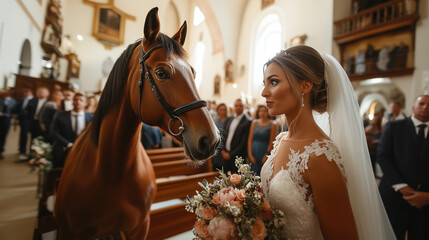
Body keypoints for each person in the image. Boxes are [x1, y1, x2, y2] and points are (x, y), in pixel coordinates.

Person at [260, 45, 395, 239]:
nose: (264, 92)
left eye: (273, 82)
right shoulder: (282, 140)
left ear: (304, 86)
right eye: (264, 83)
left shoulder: (320, 156)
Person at [378, 95, 429, 239]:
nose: (425, 107)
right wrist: (402, 187)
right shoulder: (394, 127)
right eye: (422, 103)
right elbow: (383, 157)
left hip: (425, 200)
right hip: (395, 195)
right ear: (413, 107)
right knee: (391, 235)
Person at [51, 93, 93, 167]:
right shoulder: (61, 115)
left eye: (81, 100)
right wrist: (68, 145)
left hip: (83, 151)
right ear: (72, 102)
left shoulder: (91, 117)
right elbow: (54, 132)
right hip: (63, 150)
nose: (78, 102)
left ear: (85, 103)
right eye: (75, 100)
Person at [220, 99, 251, 173]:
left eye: (240, 106)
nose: (238, 107)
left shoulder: (247, 121)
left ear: (243, 107)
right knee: (225, 179)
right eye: (236, 106)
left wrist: (230, 154)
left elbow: (243, 142)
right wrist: (222, 150)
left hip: (238, 156)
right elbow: (223, 134)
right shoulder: (230, 118)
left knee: (236, 181)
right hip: (225, 153)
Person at [247, 105, 277, 175]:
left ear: (268, 112)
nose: (262, 113)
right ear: (258, 112)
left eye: (265, 111)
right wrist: (250, 155)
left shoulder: (273, 124)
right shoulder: (254, 123)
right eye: (261, 111)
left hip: (264, 151)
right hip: (254, 151)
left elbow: (272, 142)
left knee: (263, 174)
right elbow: (250, 140)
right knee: (252, 175)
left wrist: (267, 155)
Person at [14, 88, 33, 160]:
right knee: (23, 135)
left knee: (29, 136)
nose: (25, 94)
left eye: (27, 92)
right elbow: (17, 109)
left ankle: (31, 152)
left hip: (29, 120)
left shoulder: (34, 100)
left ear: (30, 93)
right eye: (24, 93)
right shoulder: (21, 100)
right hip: (22, 119)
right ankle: (22, 151)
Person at [365, 108, 385, 174]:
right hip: (372, 149)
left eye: (376, 119)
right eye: (374, 119)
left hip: (379, 148)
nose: (374, 120)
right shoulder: (368, 129)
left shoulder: (382, 128)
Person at [0, 90, 17, 159]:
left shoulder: (14, 101)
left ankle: (0, 151)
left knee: (3, 136)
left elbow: (15, 111)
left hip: (6, 119)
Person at [212, 103, 228, 171]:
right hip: (217, 145)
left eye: (224, 110)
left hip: (225, 145)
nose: (222, 111)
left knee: (224, 167)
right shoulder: (215, 120)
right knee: (216, 165)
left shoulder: (229, 119)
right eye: (221, 110)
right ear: (218, 110)